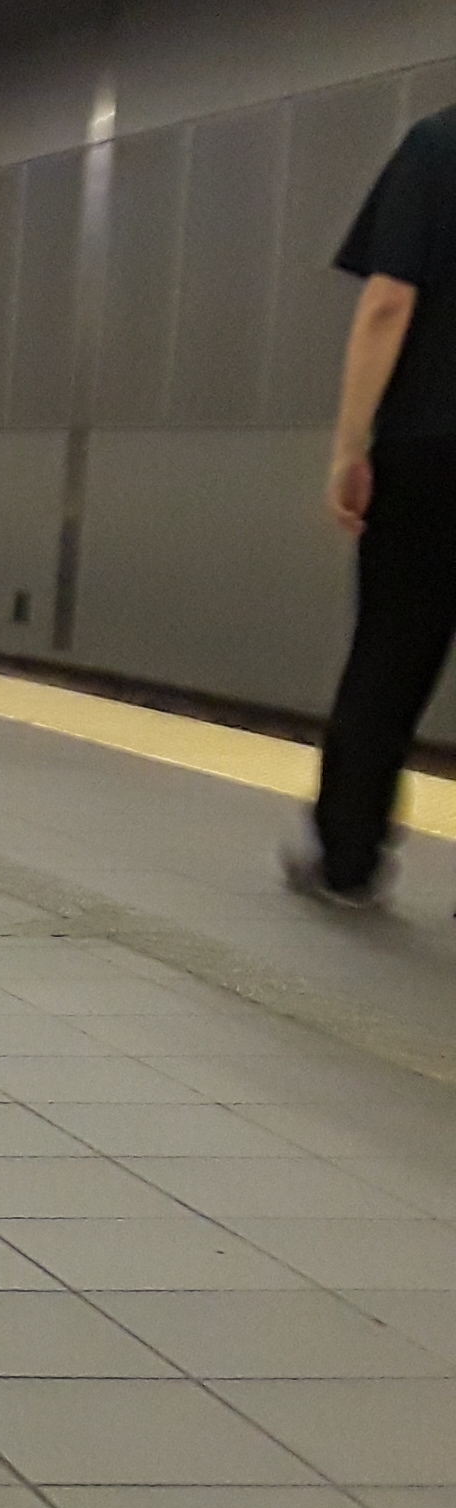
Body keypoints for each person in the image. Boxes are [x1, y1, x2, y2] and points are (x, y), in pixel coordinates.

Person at [293, 97, 456, 907]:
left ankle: (350, 860)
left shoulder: (437, 145)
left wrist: (349, 446)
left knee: (392, 652)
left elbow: (390, 299)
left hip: (431, 447)